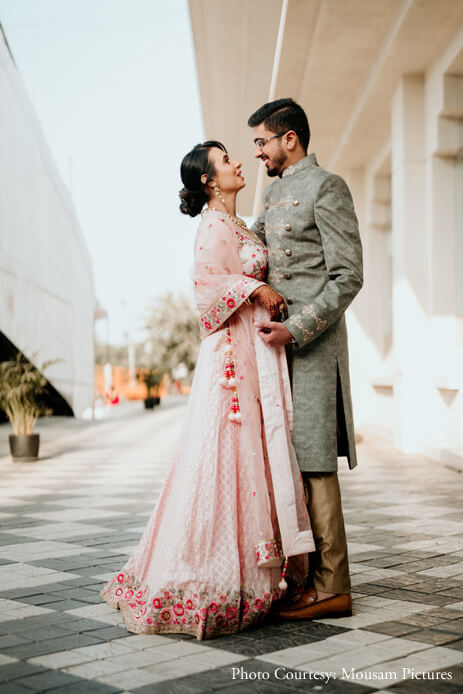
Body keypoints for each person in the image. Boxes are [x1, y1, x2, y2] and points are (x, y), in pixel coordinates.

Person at [100, 140, 314, 640]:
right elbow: (206, 285)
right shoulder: (212, 227)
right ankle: (214, 577)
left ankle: (264, 569)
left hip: (257, 355)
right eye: (226, 160)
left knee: (257, 456)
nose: (238, 162)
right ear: (209, 180)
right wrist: (257, 289)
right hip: (230, 365)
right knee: (223, 460)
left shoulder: (240, 224)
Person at [248, 98, 363, 620]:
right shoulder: (270, 195)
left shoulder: (327, 186)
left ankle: (333, 586)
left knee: (315, 463)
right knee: (283, 461)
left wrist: (295, 330)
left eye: (262, 142)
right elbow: (255, 255)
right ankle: (303, 578)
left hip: (311, 347)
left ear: (289, 138)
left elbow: (348, 277)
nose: (258, 153)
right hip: (272, 349)